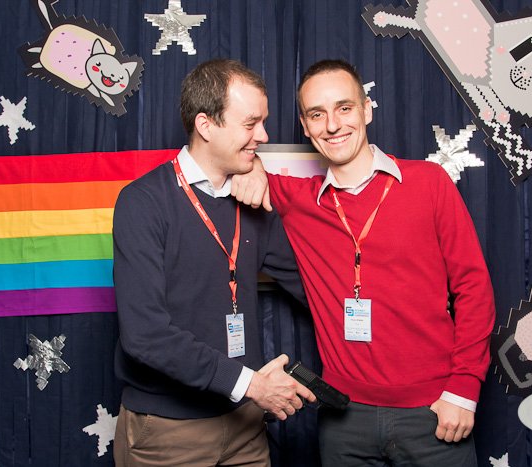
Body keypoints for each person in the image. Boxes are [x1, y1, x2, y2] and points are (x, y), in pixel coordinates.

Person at [232, 59, 496, 466]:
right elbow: (218, 161)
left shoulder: (428, 183)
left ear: (366, 110)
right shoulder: (300, 199)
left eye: (344, 108)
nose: (332, 125)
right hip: (344, 420)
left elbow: (474, 289)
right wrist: (251, 169)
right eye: (317, 115)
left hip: (434, 411)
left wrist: (463, 390)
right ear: (305, 127)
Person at [112, 58, 315, 467]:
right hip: (167, 433)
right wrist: (251, 384)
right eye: (251, 124)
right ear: (205, 125)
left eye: (263, 122)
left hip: (245, 427)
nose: (264, 135)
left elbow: (314, 285)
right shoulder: (143, 202)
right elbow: (145, 336)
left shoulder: (253, 200)